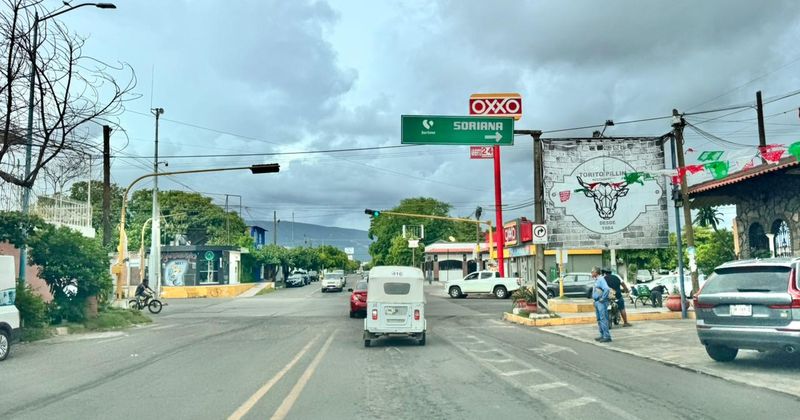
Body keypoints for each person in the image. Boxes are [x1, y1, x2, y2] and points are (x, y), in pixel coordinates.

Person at [591, 267, 612, 343]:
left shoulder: (601, 279)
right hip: (597, 302)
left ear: (596, 272)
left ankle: (607, 336)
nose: (591, 273)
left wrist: (603, 298)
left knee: (603, 319)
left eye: (592, 272)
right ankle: (602, 335)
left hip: (601, 302)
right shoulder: (596, 280)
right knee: (599, 319)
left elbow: (606, 289)